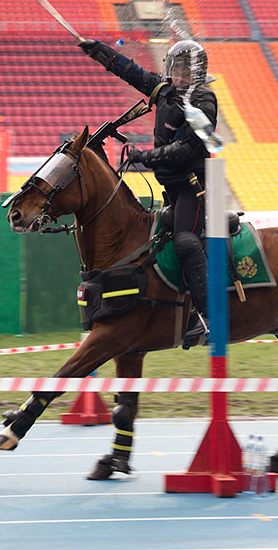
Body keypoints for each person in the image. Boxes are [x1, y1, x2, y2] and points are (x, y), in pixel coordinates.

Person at [78, 38, 216, 345]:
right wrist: (98, 50)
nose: (178, 75)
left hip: (195, 189)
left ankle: (207, 318)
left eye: (185, 70)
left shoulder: (205, 99)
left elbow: (187, 149)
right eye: (175, 68)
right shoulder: (163, 91)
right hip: (172, 189)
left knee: (185, 241)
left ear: (197, 73)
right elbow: (129, 70)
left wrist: (144, 157)